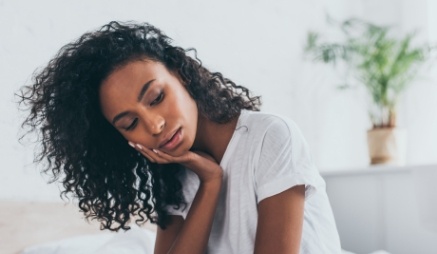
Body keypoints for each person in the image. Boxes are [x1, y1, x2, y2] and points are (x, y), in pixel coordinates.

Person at [19, 21, 341, 253]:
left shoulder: (270, 137)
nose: (155, 126)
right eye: (131, 123)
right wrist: (210, 182)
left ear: (181, 74)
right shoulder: (173, 175)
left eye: (157, 97)